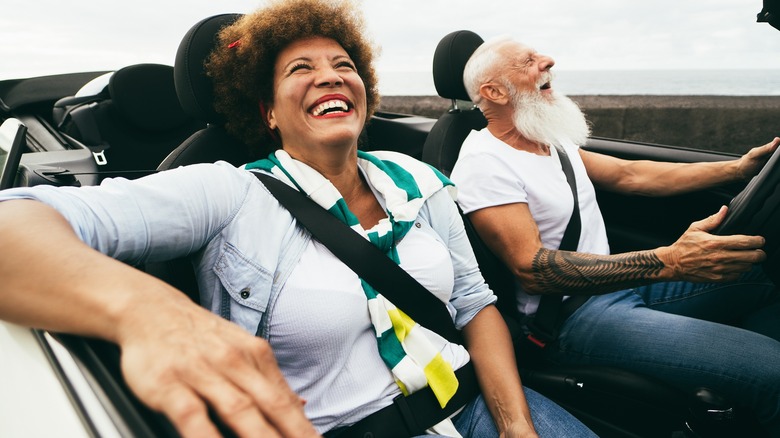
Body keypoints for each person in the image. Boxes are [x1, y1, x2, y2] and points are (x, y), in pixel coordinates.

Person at [0, 3, 597, 438]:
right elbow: (16, 220)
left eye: (342, 64)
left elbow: (472, 302)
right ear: (267, 111)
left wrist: (516, 425)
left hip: (476, 407)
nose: (330, 75)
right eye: (299, 69)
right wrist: (146, 312)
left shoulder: (417, 179)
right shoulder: (228, 190)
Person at [450, 35, 780, 434]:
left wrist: (739, 169)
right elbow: (532, 268)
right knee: (774, 371)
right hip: (574, 318)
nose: (548, 61)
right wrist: (669, 261)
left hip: (622, 288)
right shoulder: (484, 163)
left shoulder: (547, 143)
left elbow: (631, 174)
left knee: (763, 275)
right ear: (494, 92)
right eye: (529, 60)